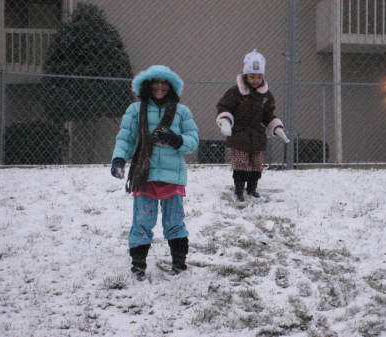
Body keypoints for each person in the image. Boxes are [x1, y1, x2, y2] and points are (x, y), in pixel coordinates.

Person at [111, 65, 199, 279]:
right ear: (147, 86)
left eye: (164, 83)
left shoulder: (182, 112)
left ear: (171, 87)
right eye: (155, 82)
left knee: (174, 221)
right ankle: (138, 263)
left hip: (172, 176)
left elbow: (193, 140)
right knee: (142, 220)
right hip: (145, 174)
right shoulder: (134, 110)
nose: (160, 87)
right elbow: (126, 138)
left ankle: (179, 262)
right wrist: (119, 159)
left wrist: (176, 139)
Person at [216, 49, 290, 202]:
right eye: (252, 76)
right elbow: (224, 107)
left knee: (256, 165)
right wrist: (225, 121)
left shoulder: (266, 95)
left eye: (259, 77)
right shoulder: (235, 92)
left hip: (257, 136)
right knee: (241, 164)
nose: (255, 80)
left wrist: (276, 127)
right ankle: (238, 189)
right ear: (245, 75)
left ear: (263, 76)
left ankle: (252, 188)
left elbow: (268, 115)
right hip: (239, 135)